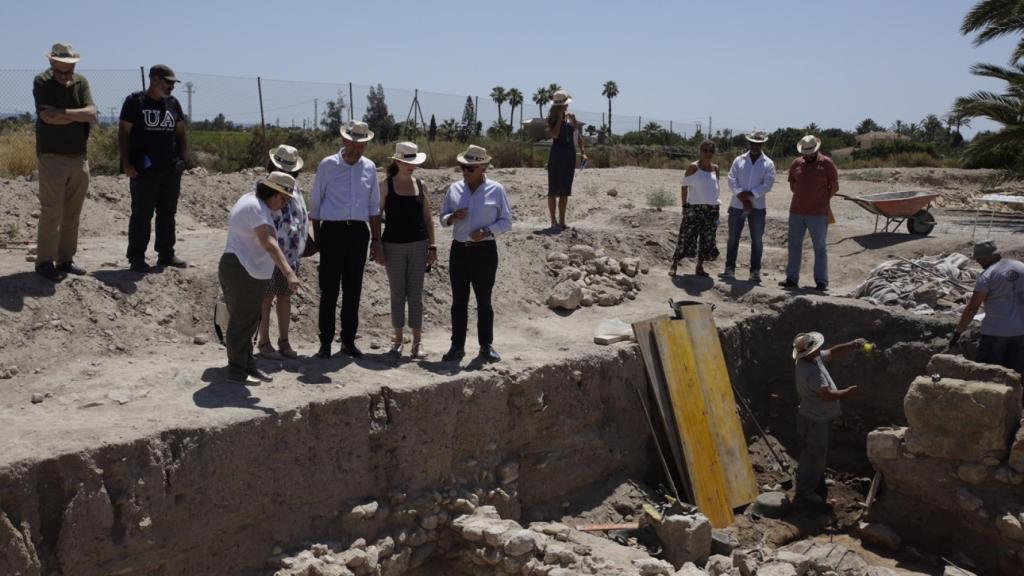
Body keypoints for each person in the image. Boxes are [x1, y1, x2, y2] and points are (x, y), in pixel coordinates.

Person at [219, 172, 302, 385]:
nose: (284, 204)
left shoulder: (257, 205)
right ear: (272, 193)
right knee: (241, 322)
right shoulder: (255, 207)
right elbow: (269, 243)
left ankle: (248, 365)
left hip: (249, 272)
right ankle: (236, 371)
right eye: (282, 199)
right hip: (241, 270)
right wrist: (289, 273)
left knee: (249, 321)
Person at [309, 121, 383, 359]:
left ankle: (348, 341)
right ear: (344, 141)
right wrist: (318, 237)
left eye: (361, 144)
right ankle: (325, 343)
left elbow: (373, 206)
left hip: (358, 233)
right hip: (332, 232)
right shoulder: (327, 165)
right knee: (329, 290)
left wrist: (376, 239)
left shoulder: (370, 168)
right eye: (352, 143)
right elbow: (316, 204)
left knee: (353, 290)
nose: (356, 148)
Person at [439, 145, 513, 364]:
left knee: (484, 302)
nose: (465, 172)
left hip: (485, 252)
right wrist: (452, 217)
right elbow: (442, 218)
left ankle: (485, 346)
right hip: (459, 251)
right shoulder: (453, 189)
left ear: (482, 168)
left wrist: (487, 231)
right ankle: (457, 347)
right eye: (463, 167)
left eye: (470, 168)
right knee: (459, 302)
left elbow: (507, 221)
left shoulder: (497, 190)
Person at [32, 43, 97, 282]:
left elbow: (92, 113)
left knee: (72, 213)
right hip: (52, 156)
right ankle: (45, 262)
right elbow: (47, 118)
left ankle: (66, 259)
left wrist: (63, 113)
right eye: (59, 71)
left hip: (79, 157)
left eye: (67, 72)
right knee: (52, 211)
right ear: (51, 65)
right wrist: (77, 116)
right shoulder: (41, 82)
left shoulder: (82, 82)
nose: (63, 77)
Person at [118, 64, 189, 273]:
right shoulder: (135, 101)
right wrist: (126, 163)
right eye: (168, 83)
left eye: (173, 84)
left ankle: (166, 254)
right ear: (155, 80)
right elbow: (123, 133)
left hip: (170, 168)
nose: (171, 88)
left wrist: (183, 160)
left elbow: (181, 132)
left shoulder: (173, 103)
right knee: (142, 213)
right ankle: (137, 257)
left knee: (167, 212)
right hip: (144, 169)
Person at [791, 332, 865, 507]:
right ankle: (805, 492)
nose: (819, 350)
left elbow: (831, 352)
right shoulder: (812, 372)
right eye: (816, 348)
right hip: (815, 419)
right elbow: (827, 395)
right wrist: (848, 392)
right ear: (808, 352)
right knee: (813, 455)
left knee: (814, 454)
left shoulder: (811, 359)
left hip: (813, 416)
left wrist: (853, 343)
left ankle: (815, 480)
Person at [380, 142, 437, 359]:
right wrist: (376, 243)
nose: (411, 166)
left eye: (413, 162)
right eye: (407, 162)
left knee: (415, 295)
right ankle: (397, 340)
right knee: (397, 293)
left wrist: (433, 245)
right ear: (397, 161)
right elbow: (376, 216)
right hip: (393, 245)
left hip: (419, 244)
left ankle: (417, 342)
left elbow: (428, 218)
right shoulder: (385, 185)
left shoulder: (421, 185)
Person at [256, 145, 309, 360]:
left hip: (290, 254)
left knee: (285, 296)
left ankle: (284, 341)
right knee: (266, 298)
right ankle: (264, 341)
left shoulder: (295, 189)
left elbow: (301, 218)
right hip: (269, 254)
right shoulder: (263, 188)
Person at [950, 240, 1024, 373]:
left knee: (986, 375)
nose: (978, 262)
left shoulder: (987, 275)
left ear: (987, 257)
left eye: (979, 258)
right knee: (1016, 375)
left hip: (995, 334)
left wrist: (958, 332)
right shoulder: (1021, 267)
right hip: (1020, 332)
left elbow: (973, 307)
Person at [781, 135, 838, 291]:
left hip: (818, 213)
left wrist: (822, 200)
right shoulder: (796, 163)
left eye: (811, 152)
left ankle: (821, 281)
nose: (808, 155)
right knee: (794, 245)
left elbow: (834, 187)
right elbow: (792, 184)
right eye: (805, 152)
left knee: (819, 247)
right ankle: (791, 278)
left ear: (817, 149)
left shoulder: (827, 163)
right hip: (796, 212)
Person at [723, 129, 775, 283]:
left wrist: (750, 194)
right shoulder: (738, 160)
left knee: (757, 240)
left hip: (758, 207)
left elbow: (768, 184)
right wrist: (741, 196)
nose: (755, 146)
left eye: (758, 144)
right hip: (736, 204)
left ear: (763, 144)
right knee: (733, 238)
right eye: (753, 143)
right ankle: (729, 268)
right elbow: (731, 178)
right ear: (749, 143)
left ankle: (755, 271)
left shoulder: (769, 163)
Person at [669, 140, 720, 278]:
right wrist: (684, 205)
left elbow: (716, 188)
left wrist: (716, 208)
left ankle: (700, 267)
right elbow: (684, 186)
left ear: (714, 153)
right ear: (700, 151)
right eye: (705, 150)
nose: (708, 153)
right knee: (686, 236)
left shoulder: (716, 169)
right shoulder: (693, 167)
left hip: (712, 209)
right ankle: (674, 264)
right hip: (694, 207)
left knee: (707, 238)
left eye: (710, 151)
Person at [546, 90, 586, 231]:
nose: (566, 107)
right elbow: (555, 134)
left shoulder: (572, 118)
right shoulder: (551, 118)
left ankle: (562, 221)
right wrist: (558, 118)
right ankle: (553, 221)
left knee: (565, 190)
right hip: (557, 156)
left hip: (569, 155)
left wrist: (583, 152)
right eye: (563, 105)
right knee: (553, 190)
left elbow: (578, 136)